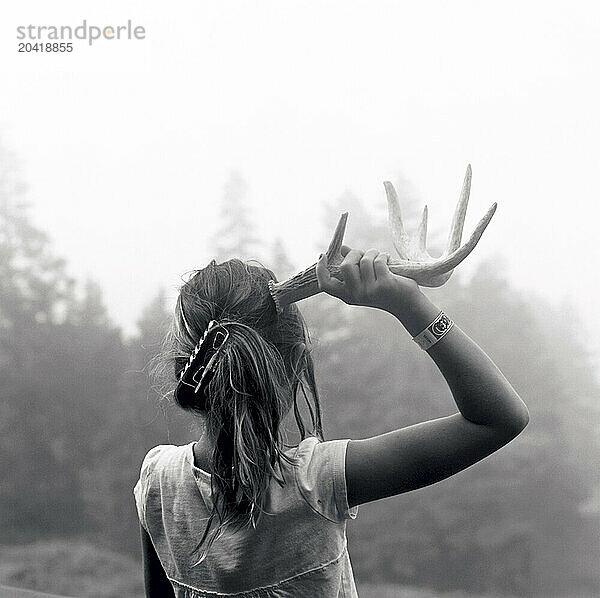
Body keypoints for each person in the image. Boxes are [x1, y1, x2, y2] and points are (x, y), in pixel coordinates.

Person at [134, 247, 529, 598]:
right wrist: (408, 303)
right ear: (293, 367)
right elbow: (498, 419)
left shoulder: (159, 482)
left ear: (183, 368)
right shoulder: (316, 482)